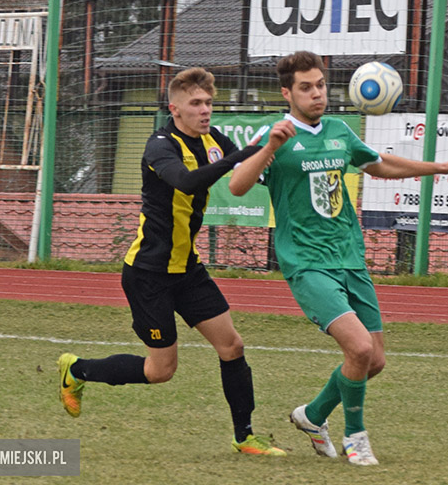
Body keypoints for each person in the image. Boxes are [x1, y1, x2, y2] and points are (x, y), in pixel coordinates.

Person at [228, 51, 448, 466]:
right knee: (359, 348)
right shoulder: (275, 137)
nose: (317, 93)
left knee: (373, 360)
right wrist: (271, 144)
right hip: (307, 264)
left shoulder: (341, 130)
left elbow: (380, 165)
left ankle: (312, 415)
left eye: (321, 85)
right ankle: (355, 438)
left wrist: (441, 166)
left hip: (349, 258)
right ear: (287, 92)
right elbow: (237, 185)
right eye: (306, 87)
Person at [57, 67, 285, 457]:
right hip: (148, 274)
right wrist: (249, 152)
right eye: (196, 103)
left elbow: (248, 171)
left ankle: (245, 437)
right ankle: (76, 370)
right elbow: (186, 182)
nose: (205, 110)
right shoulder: (159, 145)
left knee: (232, 346)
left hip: (188, 270)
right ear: (174, 108)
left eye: (209, 103)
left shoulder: (215, 140)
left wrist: (270, 158)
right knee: (161, 371)